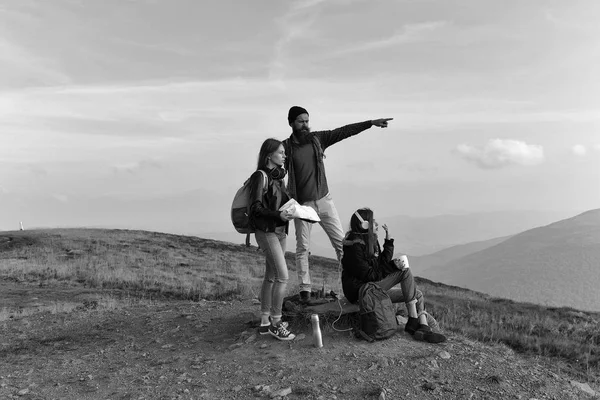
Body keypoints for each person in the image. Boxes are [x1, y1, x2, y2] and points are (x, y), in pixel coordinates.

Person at [282, 106, 393, 303]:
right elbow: (272, 164)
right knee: (302, 248)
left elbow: (343, 132)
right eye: (301, 121)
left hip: (324, 200)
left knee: (343, 246)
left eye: (307, 120)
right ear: (291, 123)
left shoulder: (318, 139)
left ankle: (351, 288)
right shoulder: (286, 148)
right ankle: (305, 292)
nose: (306, 125)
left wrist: (370, 123)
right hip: (302, 206)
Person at [341, 208, 447, 344]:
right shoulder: (354, 248)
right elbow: (370, 275)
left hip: (373, 289)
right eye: (373, 221)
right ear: (365, 225)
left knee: (417, 294)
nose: (376, 224)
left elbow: (381, 263)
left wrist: (388, 240)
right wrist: (393, 267)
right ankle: (413, 321)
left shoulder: (369, 241)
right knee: (405, 271)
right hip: (362, 292)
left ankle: (423, 327)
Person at [248, 138, 296, 341]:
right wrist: (278, 216)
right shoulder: (260, 176)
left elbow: (280, 203)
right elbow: (255, 208)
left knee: (270, 276)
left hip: (280, 231)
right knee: (283, 276)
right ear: (269, 155)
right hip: (266, 232)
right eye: (281, 152)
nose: (284, 156)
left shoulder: (279, 177)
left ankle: (265, 322)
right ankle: (277, 322)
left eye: (284, 152)